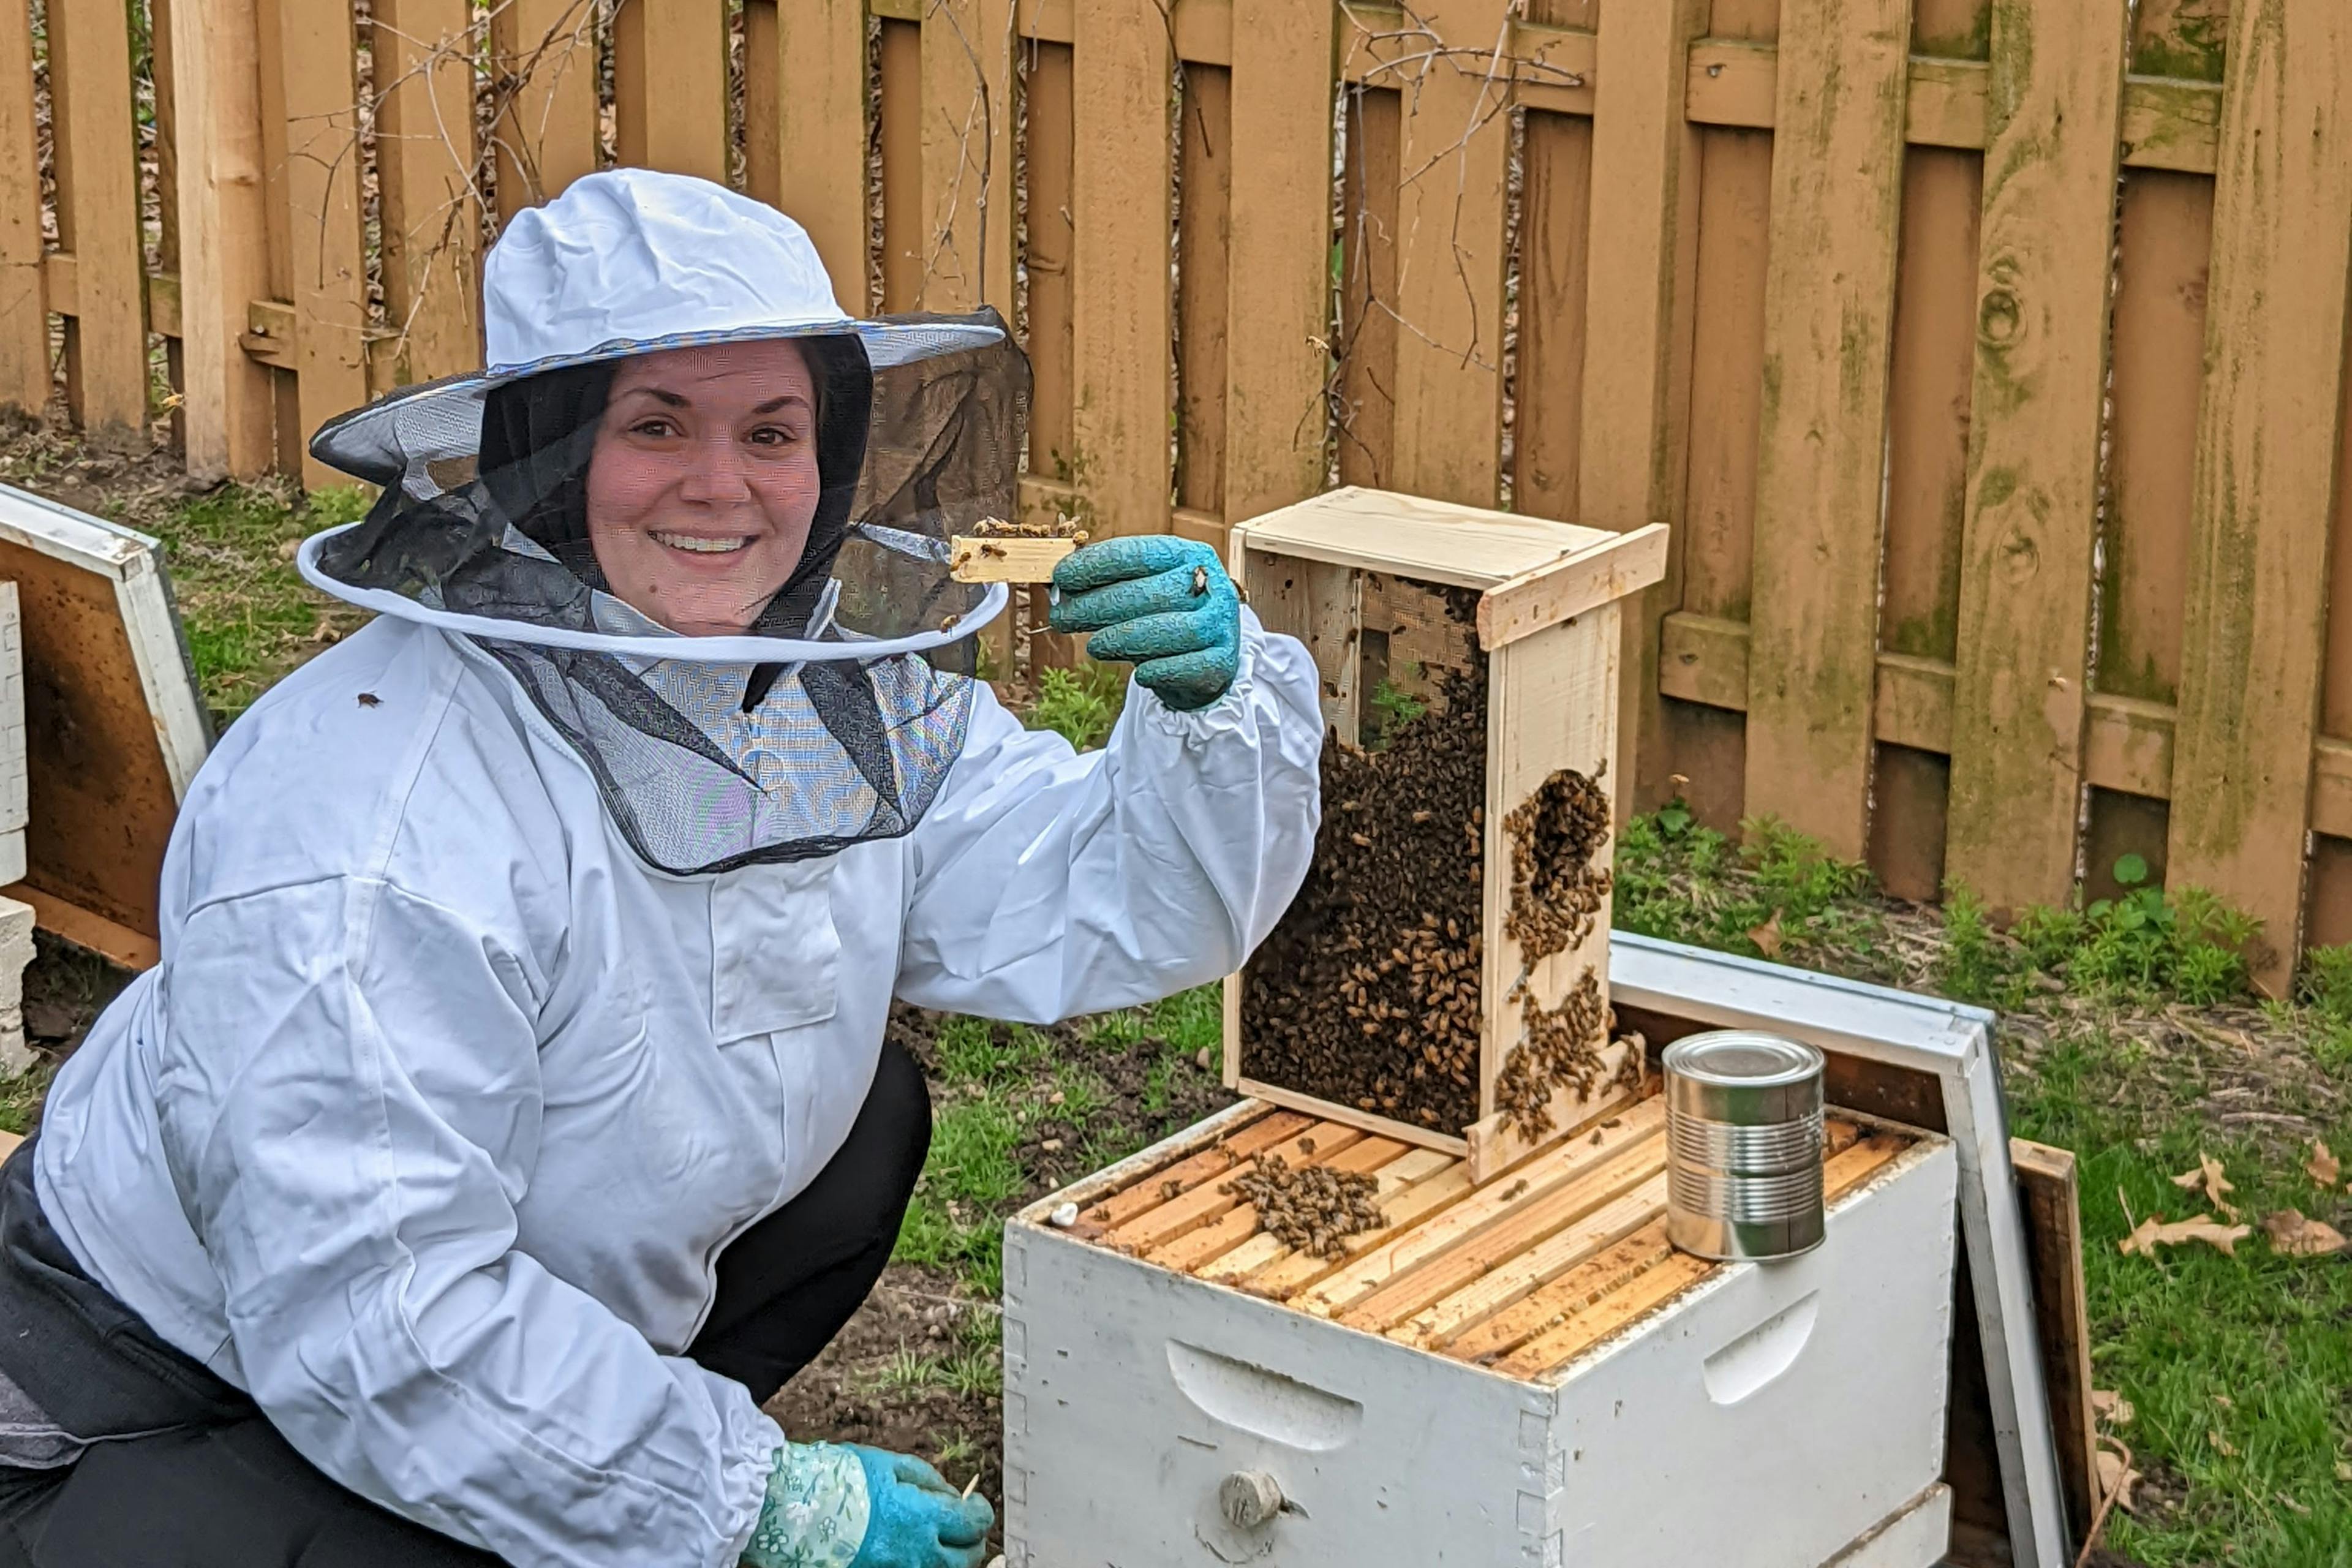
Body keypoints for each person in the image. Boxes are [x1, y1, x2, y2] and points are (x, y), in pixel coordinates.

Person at [0, 170, 1322, 1567]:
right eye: (656, 425)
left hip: (446, 1277)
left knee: (862, 1128)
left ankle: (577, 1470)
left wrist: (1211, 719)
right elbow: (377, 1313)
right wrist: (744, 1500)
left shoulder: (820, 693)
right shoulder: (376, 821)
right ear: (548, 459)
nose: (722, 484)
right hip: (155, 1380)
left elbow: (1100, 896)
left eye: (773, 430)